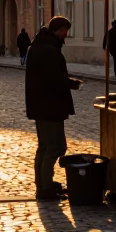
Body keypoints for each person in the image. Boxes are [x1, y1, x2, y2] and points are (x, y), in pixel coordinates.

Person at [25, 15, 81, 200]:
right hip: (50, 106)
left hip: (40, 105)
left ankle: (42, 185)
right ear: (58, 30)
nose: (66, 35)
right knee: (56, 146)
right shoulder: (49, 50)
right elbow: (53, 79)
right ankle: (46, 188)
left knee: (44, 146)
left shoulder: (39, 46)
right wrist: (71, 83)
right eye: (65, 31)